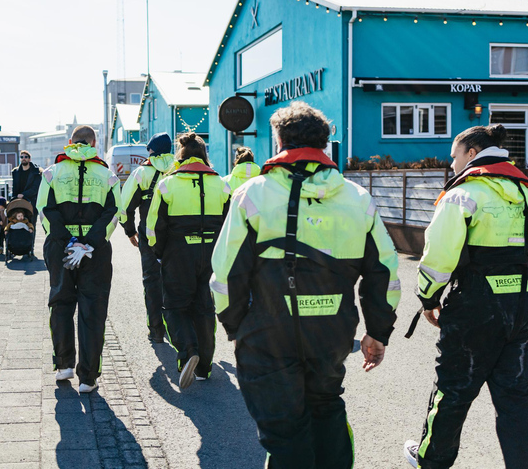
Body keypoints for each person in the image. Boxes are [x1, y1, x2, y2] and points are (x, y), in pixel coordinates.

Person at [210, 101, 401, 468]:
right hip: (331, 334)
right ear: (325, 144)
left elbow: (226, 273)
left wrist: (236, 326)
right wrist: (378, 332)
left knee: (285, 433)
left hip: (268, 333)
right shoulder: (357, 198)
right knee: (326, 409)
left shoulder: (253, 193)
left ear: (279, 140)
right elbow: (385, 272)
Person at [403, 124, 528, 469]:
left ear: (472, 154)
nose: (452, 165)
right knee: (517, 397)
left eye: (454, 157)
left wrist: (428, 299)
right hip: (523, 308)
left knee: (454, 390)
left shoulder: (462, 194)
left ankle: (431, 461)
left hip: (474, 309)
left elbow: (438, 257)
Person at [35, 125, 121, 393]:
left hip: (61, 248)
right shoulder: (107, 175)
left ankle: (64, 366)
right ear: (94, 142)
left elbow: (44, 210)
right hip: (95, 252)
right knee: (92, 311)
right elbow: (114, 213)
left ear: (70, 142)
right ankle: (88, 378)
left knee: (60, 303)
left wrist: (69, 242)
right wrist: (89, 243)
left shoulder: (51, 173)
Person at [146, 132, 231, 389]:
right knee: (204, 308)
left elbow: (154, 228)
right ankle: (204, 366)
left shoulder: (167, 183)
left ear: (180, 156)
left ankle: (187, 352)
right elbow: (230, 224)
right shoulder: (222, 184)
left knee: (174, 307)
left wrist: (159, 253)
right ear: (204, 155)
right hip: (212, 253)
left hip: (179, 252)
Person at [119, 133, 175, 343]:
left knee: (152, 281)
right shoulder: (178, 169)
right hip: (176, 235)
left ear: (151, 150)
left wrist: (129, 231)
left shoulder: (141, 172)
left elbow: (125, 207)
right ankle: (174, 327)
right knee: (174, 282)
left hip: (149, 236)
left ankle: (156, 330)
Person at [11, 150, 41, 257]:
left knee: (31, 225)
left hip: (31, 202)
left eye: (26, 157)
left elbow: (35, 188)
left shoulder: (36, 172)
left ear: (29, 159)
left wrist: (23, 194)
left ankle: (30, 247)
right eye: (22, 157)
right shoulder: (15, 172)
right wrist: (13, 199)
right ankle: (18, 247)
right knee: (17, 223)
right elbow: (15, 188)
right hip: (19, 203)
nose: (24, 158)